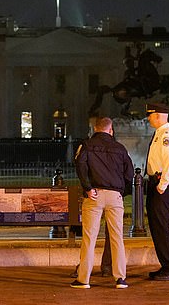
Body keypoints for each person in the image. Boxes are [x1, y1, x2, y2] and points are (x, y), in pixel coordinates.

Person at [71, 117, 134, 289]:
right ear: (110, 130)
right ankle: (120, 278)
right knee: (117, 238)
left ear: (95, 129)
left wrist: (88, 188)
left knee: (89, 239)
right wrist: (121, 192)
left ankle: (84, 279)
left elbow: (80, 166)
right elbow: (129, 174)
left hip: (94, 195)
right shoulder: (120, 148)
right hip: (115, 196)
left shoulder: (87, 145)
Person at [145, 102, 169, 281]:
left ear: (158, 115)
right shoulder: (159, 134)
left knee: (161, 228)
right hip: (156, 184)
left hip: (162, 186)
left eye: (150, 115)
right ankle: (167, 266)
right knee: (157, 228)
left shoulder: (167, 135)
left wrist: (161, 186)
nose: (148, 118)